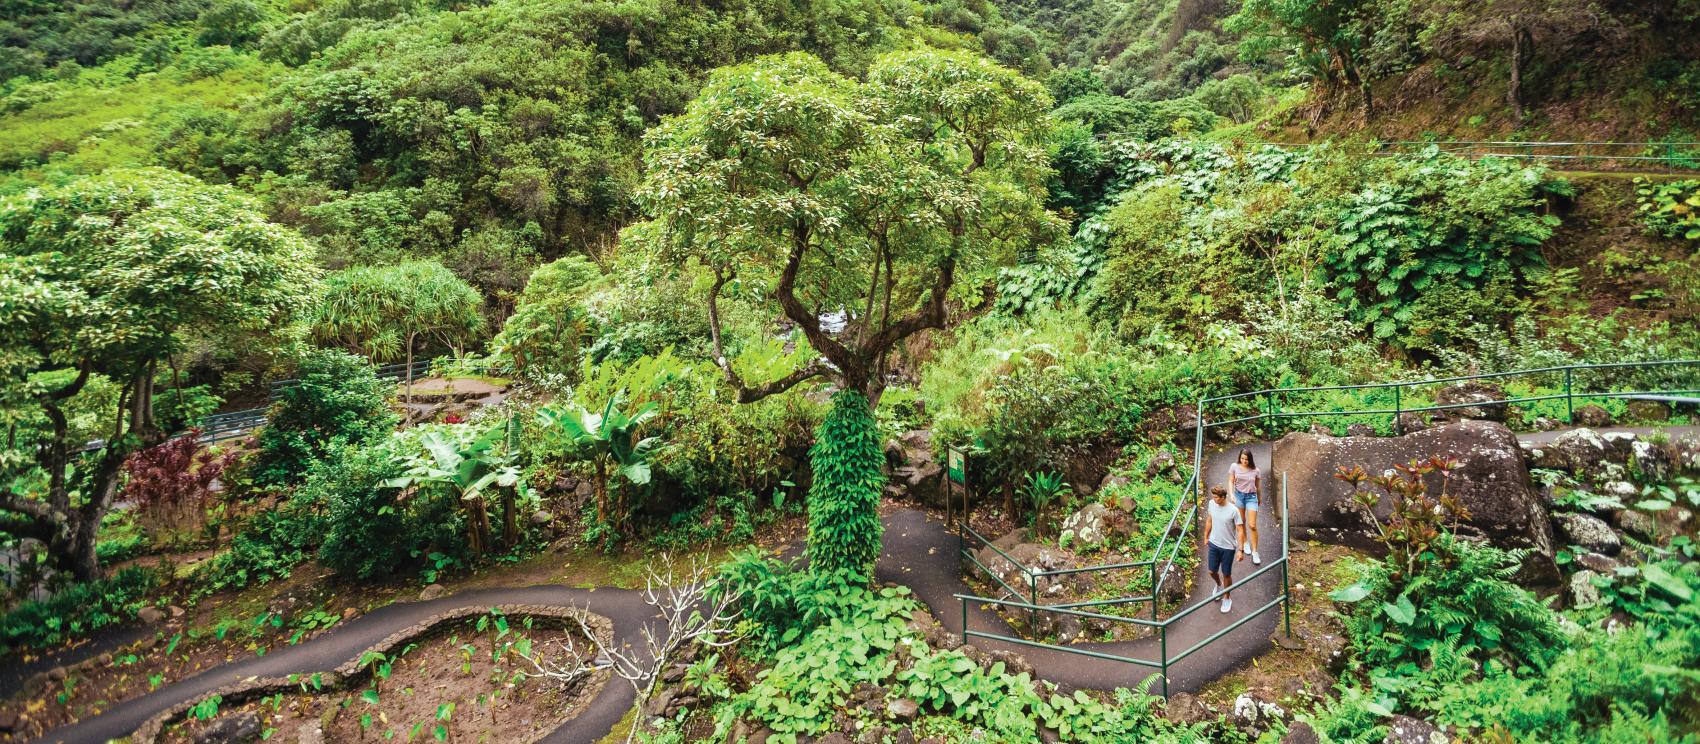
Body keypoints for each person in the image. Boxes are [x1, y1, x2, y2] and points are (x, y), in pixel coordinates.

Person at [1204, 485, 1245, 614]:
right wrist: (1206, 536)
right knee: (1211, 571)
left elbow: (1240, 530)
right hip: (1214, 544)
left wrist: (1240, 550)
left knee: (1226, 574)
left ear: (1223, 497)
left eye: (1216, 497)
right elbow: (1209, 520)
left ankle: (1227, 598)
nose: (1214, 499)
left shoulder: (1233, 510)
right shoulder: (1212, 504)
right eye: (1213, 497)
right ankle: (1218, 584)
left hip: (1228, 547)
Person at [1229, 449, 1262, 565]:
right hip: (1238, 496)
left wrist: (1259, 498)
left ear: (1250, 459)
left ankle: (1255, 552)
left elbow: (1258, 486)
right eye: (1242, 458)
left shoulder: (1255, 470)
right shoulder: (1234, 466)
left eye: (1246, 459)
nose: (1244, 461)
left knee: (1252, 525)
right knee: (1241, 522)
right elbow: (1231, 481)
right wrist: (1231, 494)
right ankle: (1246, 542)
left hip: (1251, 497)